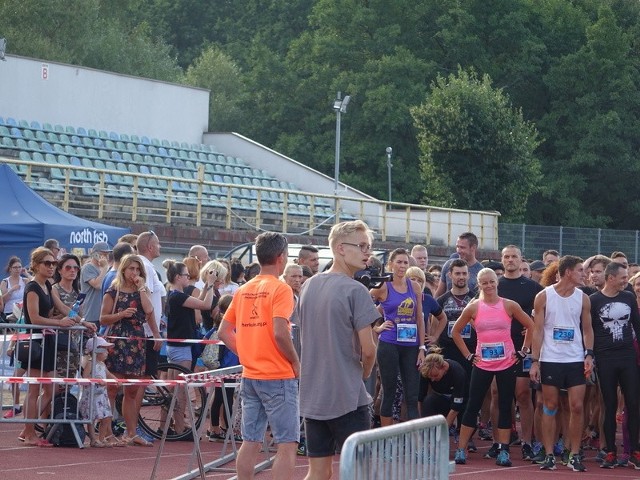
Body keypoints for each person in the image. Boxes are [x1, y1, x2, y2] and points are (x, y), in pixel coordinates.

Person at [297, 220, 378, 479]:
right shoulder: (356, 290)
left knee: (317, 473)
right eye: (362, 246)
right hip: (347, 397)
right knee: (359, 471)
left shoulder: (308, 286)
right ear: (341, 248)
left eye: (369, 247)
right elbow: (368, 350)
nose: (368, 252)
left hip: (313, 396)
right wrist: (364, 374)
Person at [218, 232, 300, 480]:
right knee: (287, 444)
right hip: (278, 375)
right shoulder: (281, 289)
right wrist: (296, 362)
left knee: (250, 441)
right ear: (281, 257)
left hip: (251, 374)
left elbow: (223, 331)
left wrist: (246, 352)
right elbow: (279, 331)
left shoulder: (244, 289)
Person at [451, 268, 534, 467]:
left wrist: (523, 351)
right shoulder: (473, 307)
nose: (488, 286)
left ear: (497, 283)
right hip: (483, 364)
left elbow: (531, 326)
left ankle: (503, 450)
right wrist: (469, 355)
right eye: (484, 283)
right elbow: (455, 332)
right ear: (479, 285)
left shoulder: (509, 305)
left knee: (505, 405)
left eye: (491, 282)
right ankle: (461, 449)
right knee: (473, 404)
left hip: (506, 363)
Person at [529, 255, 594, 472]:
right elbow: (537, 330)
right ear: (568, 272)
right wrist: (535, 361)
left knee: (576, 406)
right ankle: (549, 454)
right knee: (550, 406)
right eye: (580, 270)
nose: (584, 274)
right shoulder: (543, 296)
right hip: (551, 359)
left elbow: (587, 329)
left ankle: (574, 454)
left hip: (575, 359)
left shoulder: (583, 298)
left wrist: (589, 354)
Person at [100, 253, 160, 447]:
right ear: (123, 270)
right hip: (117, 340)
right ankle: (106, 433)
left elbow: (149, 311)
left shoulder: (143, 289)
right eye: (131, 269)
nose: (134, 273)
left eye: (137, 269)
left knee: (133, 391)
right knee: (111, 387)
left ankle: (131, 433)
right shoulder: (113, 290)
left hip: (137, 341)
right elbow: (103, 318)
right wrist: (121, 314)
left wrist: (157, 335)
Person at [19, 247, 76, 447]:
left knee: (52, 389)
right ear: (36, 266)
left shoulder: (48, 286)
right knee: (34, 390)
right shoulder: (32, 287)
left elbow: (62, 308)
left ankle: (28, 427)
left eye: (53, 263)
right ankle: (29, 432)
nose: (52, 267)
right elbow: (34, 318)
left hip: (47, 342)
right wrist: (59, 323)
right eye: (47, 263)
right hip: (35, 342)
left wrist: (81, 321)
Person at [589, 261, 640, 468]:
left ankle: (634, 450)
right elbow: (589, 330)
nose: (625, 281)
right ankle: (610, 450)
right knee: (609, 406)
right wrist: (590, 355)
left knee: (633, 404)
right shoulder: (594, 300)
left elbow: (637, 325)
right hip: (605, 359)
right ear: (611, 278)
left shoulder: (628, 297)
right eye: (622, 277)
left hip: (628, 357)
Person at [496, 245, 542, 460]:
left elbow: (543, 316)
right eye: (507, 257)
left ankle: (526, 442)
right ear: (502, 260)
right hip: (498, 347)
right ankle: (498, 442)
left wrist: (532, 326)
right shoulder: (494, 286)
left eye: (514, 256)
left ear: (521, 259)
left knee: (523, 395)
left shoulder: (533, 287)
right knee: (498, 395)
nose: (510, 260)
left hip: (523, 347)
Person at [371, 248, 425, 426]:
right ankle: (386, 439)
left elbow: (419, 318)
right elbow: (364, 307)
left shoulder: (414, 286)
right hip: (389, 344)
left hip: (410, 345)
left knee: (412, 395)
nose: (402, 266)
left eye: (405, 262)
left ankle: (414, 442)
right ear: (390, 264)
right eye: (399, 262)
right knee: (389, 391)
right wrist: (377, 328)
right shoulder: (383, 287)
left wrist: (421, 348)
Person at [164, 260, 217, 434]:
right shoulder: (177, 296)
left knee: (172, 388)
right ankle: (179, 428)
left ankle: (166, 425)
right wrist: (209, 284)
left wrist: (206, 289)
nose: (189, 278)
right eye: (186, 275)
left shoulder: (174, 295)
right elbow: (206, 305)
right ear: (178, 277)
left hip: (176, 346)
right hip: (181, 348)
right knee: (180, 389)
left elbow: (199, 300)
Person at [51, 254, 97, 378]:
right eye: (68, 267)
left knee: (68, 384)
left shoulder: (78, 292)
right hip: (58, 345)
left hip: (74, 345)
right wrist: (75, 317)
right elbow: (52, 316)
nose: (72, 270)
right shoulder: (54, 289)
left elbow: (79, 316)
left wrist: (81, 321)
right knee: (55, 388)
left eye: (76, 268)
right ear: (59, 270)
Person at [79, 337, 124, 447]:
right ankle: (93, 439)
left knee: (107, 417)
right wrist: (96, 380)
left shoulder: (102, 365)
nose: (107, 352)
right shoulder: (90, 364)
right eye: (104, 349)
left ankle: (102, 438)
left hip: (102, 396)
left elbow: (109, 375)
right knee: (92, 418)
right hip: (92, 396)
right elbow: (84, 378)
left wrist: (116, 380)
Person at [419, 346, 467, 427]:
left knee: (465, 416)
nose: (432, 380)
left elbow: (456, 406)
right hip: (442, 400)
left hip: (460, 400)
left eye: (435, 375)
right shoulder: (426, 371)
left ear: (444, 368)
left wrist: (443, 431)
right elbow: (420, 398)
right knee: (428, 401)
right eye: (430, 377)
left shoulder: (458, 373)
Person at [435, 232, 483, 297]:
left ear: (473, 247)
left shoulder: (481, 271)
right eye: (457, 247)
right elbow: (439, 293)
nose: (458, 251)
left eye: (462, 247)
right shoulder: (448, 265)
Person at [80, 242, 112, 327]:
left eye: (107, 254)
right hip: (91, 313)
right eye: (103, 254)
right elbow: (98, 285)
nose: (106, 257)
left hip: (104, 314)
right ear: (95, 254)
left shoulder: (107, 269)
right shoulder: (88, 267)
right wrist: (105, 268)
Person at [1, 256, 25, 320]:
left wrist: (27, 274)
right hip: (9, 312)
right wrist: (11, 290)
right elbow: (2, 300)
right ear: (10, 269)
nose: (17, 269)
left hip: (22, 312)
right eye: (15, 267)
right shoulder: (5, 282)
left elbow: (36, 285)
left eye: (19, 267)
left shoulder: (25, 280)